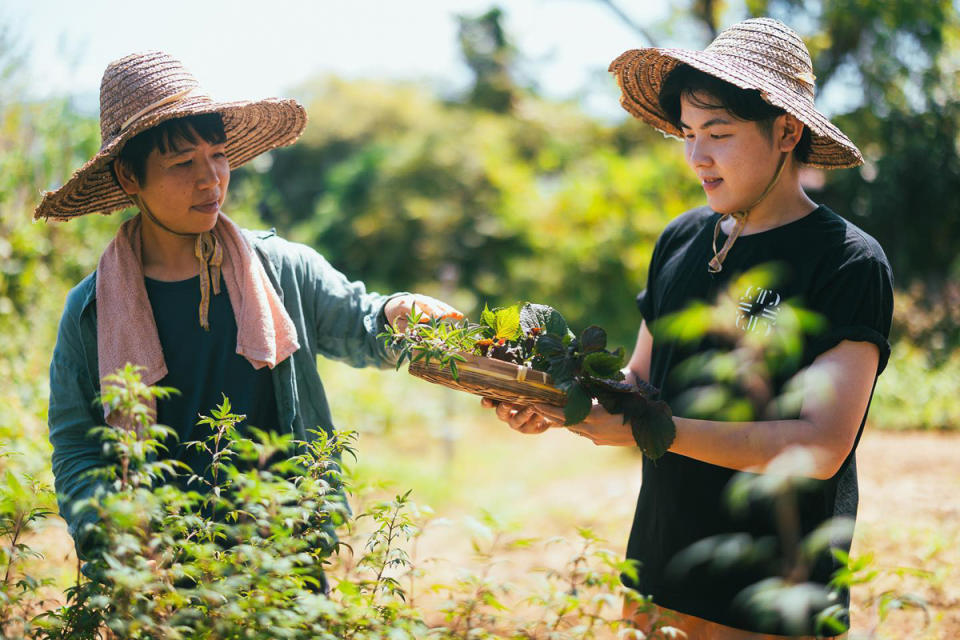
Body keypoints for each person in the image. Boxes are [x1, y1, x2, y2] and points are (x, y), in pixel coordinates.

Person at [486, 18, 893, 639]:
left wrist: (656, 432)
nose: (697, 157)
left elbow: (820, 445)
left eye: (720, 134)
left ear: (786, 131)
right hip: (658, 567)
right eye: (689, 133)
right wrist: (552, 400)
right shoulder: (681, 238)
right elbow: (640, 383)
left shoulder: (846, 261)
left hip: (772, 591)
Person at [35, 51, 459, 564]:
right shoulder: (93, 309)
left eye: (217, 155)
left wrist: (399, 311)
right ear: (129, 177)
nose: (210, 179)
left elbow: (362, 320)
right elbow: (78, 446)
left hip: (285, 559)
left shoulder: (282, 270)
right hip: (161, 576)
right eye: (182, 163)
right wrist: (114, 544)